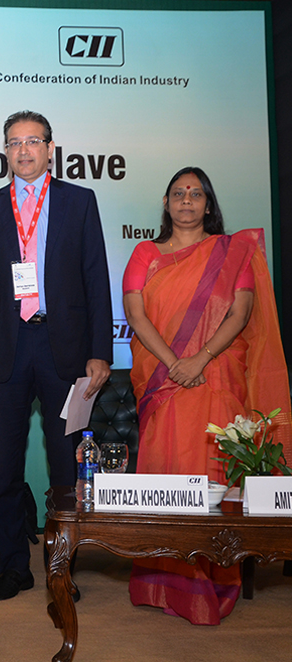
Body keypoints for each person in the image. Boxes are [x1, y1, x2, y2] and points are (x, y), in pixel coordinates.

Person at [124, 166, 291, 625]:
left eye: (196, 193)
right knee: (168, 475)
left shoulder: (231, 252)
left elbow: (240, 311)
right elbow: (135, 313)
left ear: (208, 204)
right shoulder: (146, 252)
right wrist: (174, 363)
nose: (186, 200)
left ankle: (213, 583)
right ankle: (161, 582)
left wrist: (200, 359)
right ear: (166, 203)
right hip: (165, 381)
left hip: (215, 376)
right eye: (178, 193)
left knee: (212, 479)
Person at [0, 110, 113, 601]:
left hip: (63, 347)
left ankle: (61, 569)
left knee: (65, 468)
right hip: (5, 349)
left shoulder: (78, 201)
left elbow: (96, 277)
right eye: (14, 142)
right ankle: (14, 568)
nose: (23, 150)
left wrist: (100, 351)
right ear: (4, 151)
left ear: (50, 148)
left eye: (32, 141)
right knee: (5, 467)